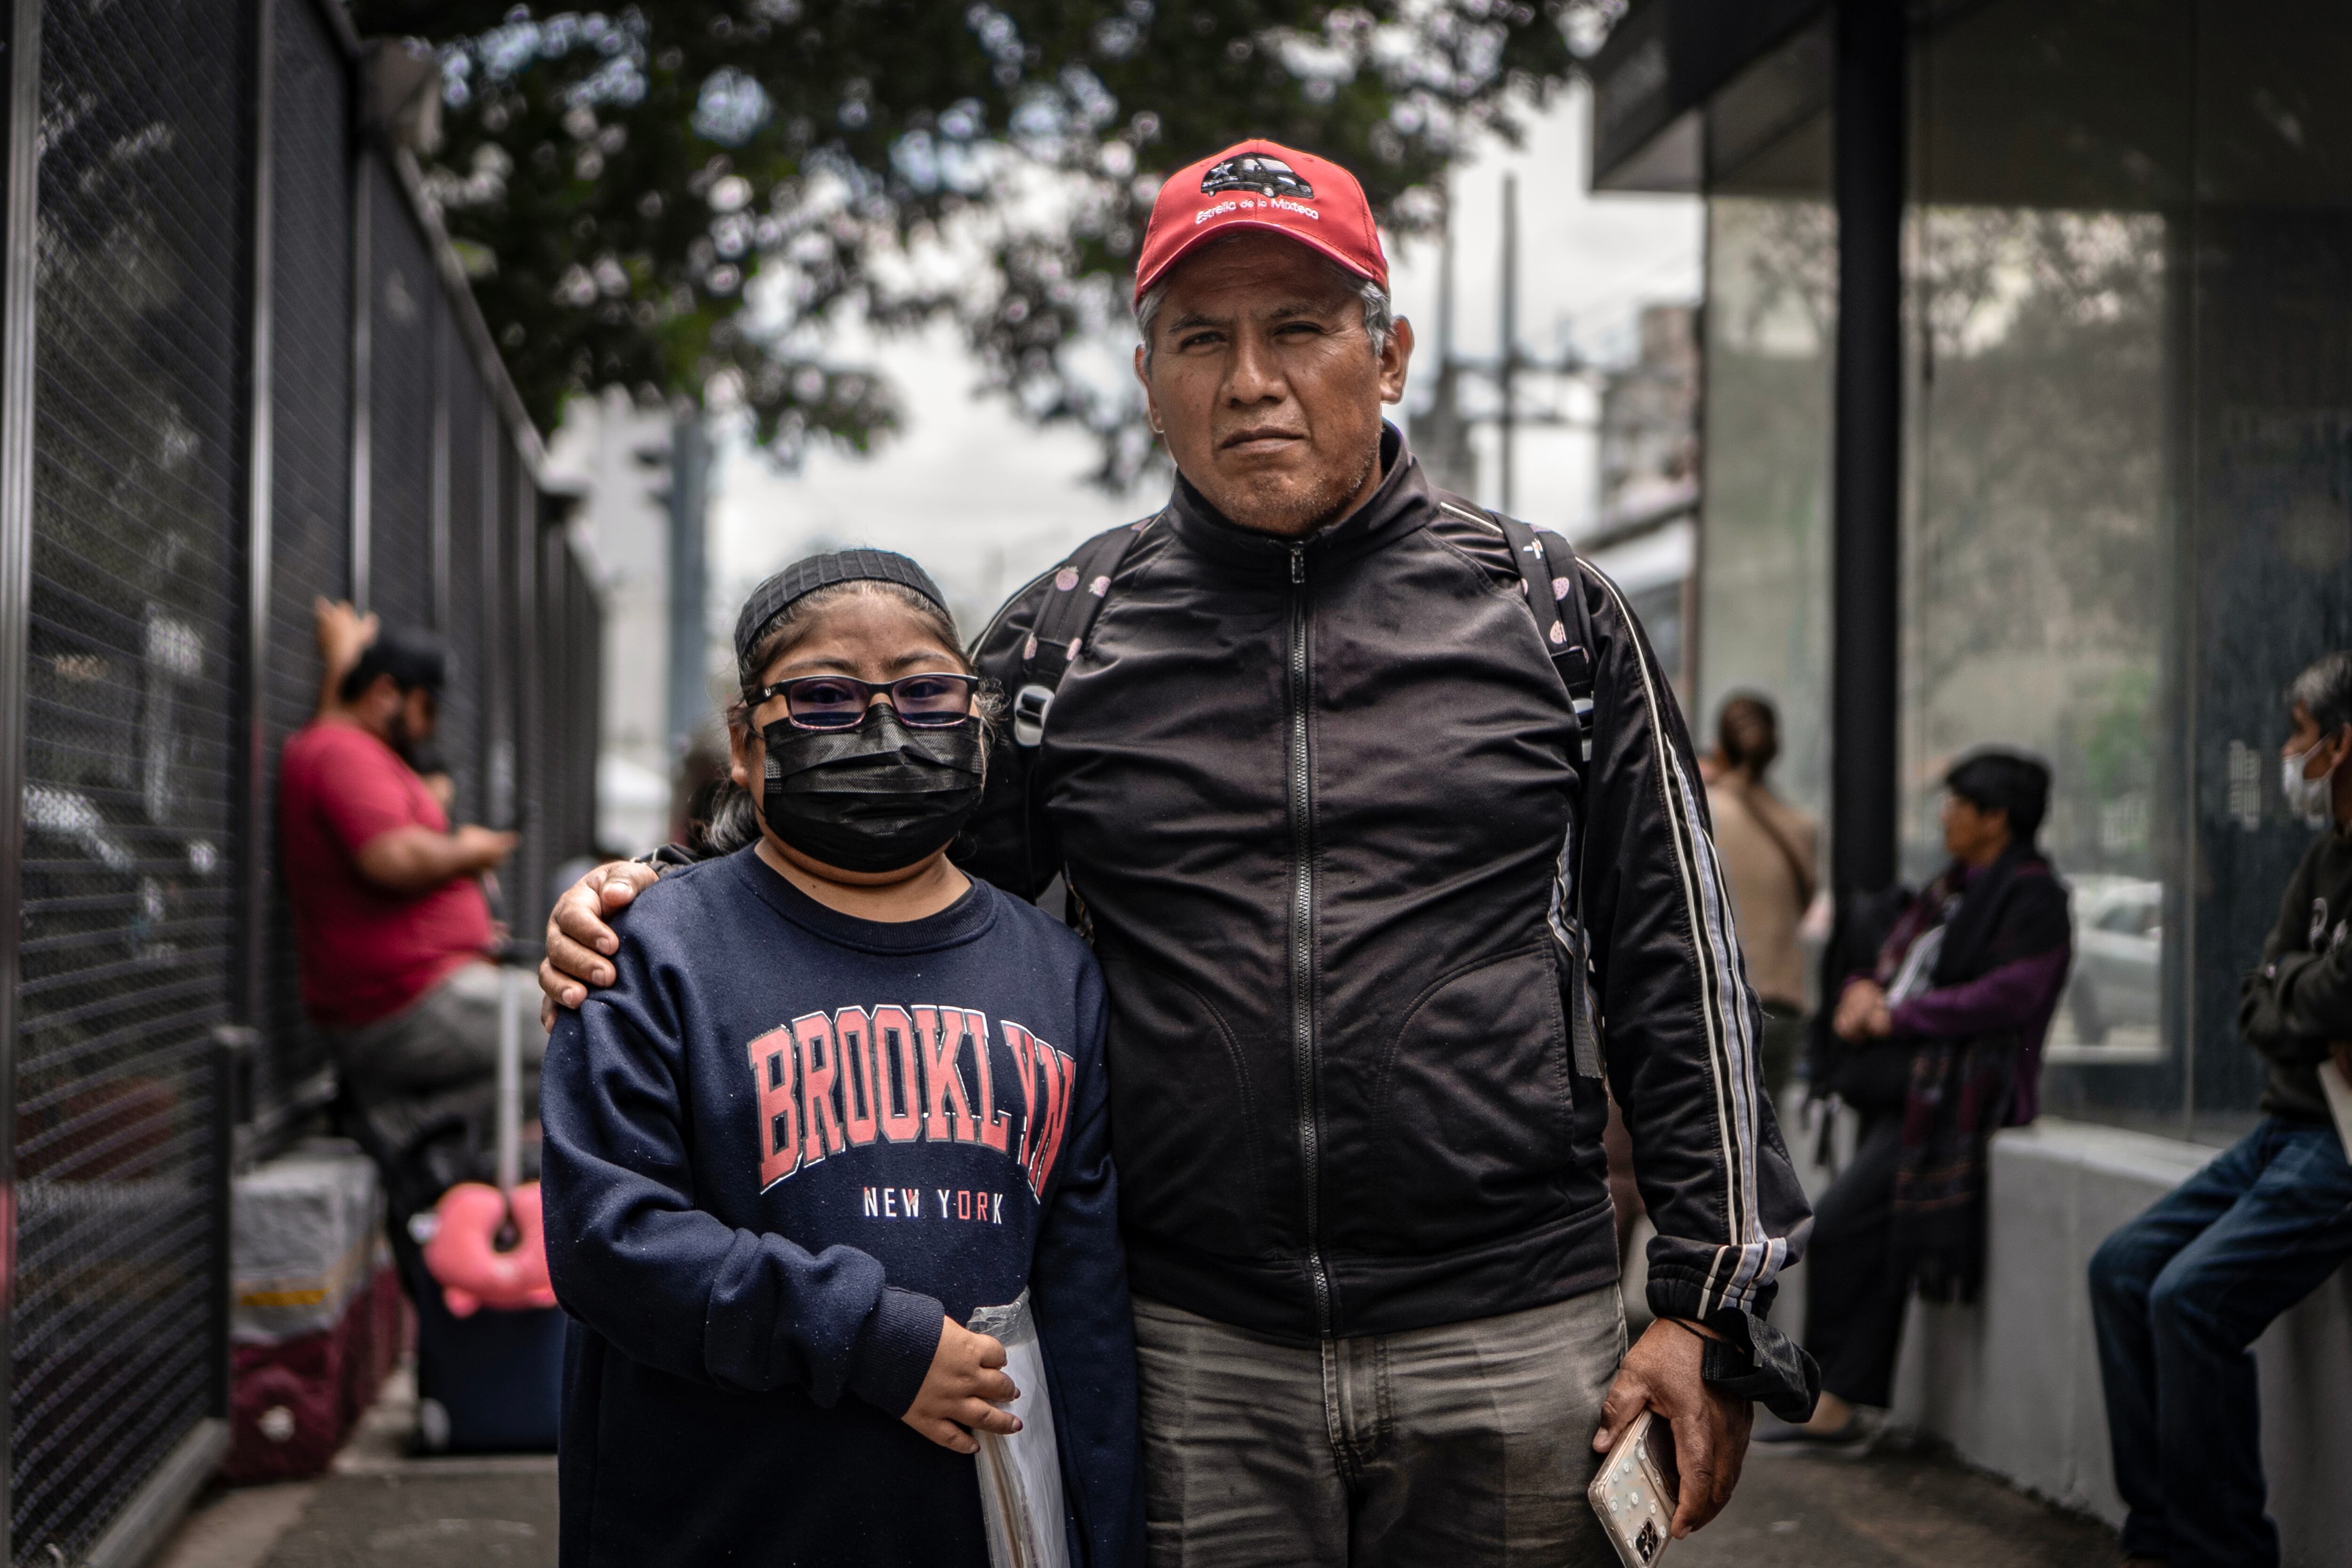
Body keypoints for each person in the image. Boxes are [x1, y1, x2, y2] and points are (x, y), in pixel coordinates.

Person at [543, 138, 1815, 1563]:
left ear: (1386, 353)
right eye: (1200, 337)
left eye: (1299, 328)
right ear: (1147, 382)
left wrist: (1704, 1304)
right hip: (1196, 1354)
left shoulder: (1549, 615)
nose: (1250, 378)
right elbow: (872, 871)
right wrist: (657, 900)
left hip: (1513, 1340)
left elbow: (1679, 969)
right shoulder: (1060, 641)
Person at [540, 552, 1137, 1568]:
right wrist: (876, 1341)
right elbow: (608, 1238)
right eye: (822, 697)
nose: (883, 722)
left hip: (967, 1523)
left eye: (925, 689)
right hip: (711, 1515)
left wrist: (1107, 1529)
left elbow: (1084, 1300)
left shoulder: (1055, 971)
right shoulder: (646, 946)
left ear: (976, 718)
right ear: (746, 740)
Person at [2088, 652, 2352, 1568]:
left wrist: (2298, 994)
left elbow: (2322, 997)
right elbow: (2261, 996)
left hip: (2339, 1145)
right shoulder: (2321, 858)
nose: (2287, 751)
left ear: (2342, 743)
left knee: (2190, 1298)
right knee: (2121, 1269)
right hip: (2283, 1127)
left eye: (2299, 731)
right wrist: (2301, 999)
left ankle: (2223, 1548)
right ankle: (2160, 1528)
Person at [1772, 749, 2070, 1444]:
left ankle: (1833, 1403)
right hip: (1909, 1092)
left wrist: (1899, 1017)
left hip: (1957, 1103)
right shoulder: (1951, 888)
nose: (1945, 816)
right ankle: (1837, 1403)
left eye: (1958, 804)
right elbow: (1892, 959)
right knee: (1871, 1232)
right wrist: (1858, 993)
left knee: (1843, 1224)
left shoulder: (2034, 897)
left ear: (1996, 818)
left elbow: (2008, 995)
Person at [280, 600, 522, 1194]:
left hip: (431, 987)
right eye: (427, 707)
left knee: (584, 1042)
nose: (430, 725)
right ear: (388, 692)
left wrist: (341, 664)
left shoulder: (351, 748)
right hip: (406, 1003)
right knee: (590, 1027)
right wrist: (471, 850)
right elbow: (389, 858)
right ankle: (399, 1124)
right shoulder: (341, 751)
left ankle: (402, 1118)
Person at [1704, 694, 1819, 1099]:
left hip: (1722, 1000)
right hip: (1784, 1002)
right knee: (1773, 1139)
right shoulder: (1801, 826)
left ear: (1719, 747)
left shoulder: (1703, 813)